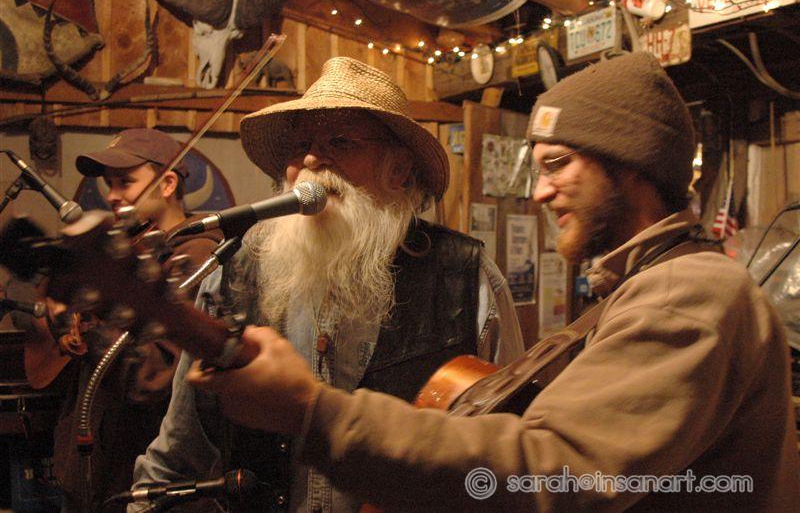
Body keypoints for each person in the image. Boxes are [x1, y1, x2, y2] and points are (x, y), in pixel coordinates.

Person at [185, 53, 800, 511]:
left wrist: (313, 412)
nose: (540, 192)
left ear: (630, 163)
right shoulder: (643, 287)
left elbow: (554, 473)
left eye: (557, 165)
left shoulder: (684, 293)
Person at [131, 57, 525, 511]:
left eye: (340, 142)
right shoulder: (234, 272)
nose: (310, 160)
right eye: (300, 146)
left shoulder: (463, 274)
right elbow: (179, 456)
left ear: (399, 169)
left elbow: (507, 452)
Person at [22, 128, 223, 512]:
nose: (112, 195)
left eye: (126, 182)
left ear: (167, 184)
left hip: (136, 474)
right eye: (109, 184)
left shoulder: (195, 256)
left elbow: (154, 378)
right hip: (94, 466)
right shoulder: (125, 251)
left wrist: (93, 331)